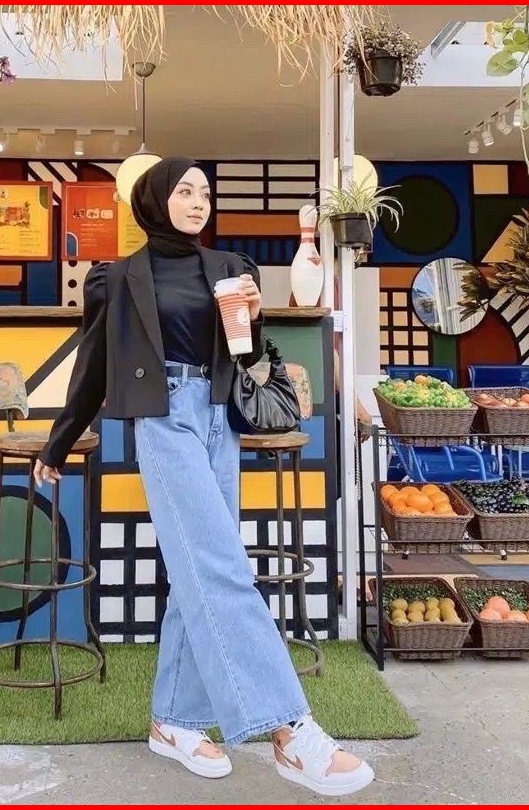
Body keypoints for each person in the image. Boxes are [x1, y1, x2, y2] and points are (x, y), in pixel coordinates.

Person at [34, 157, 374, 797]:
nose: (199, 202)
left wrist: (251, 320)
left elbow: (248, 356)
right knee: (221, 566)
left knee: (199, 567)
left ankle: (174, 721)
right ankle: (289, 730)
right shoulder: (117, 278)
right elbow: (93, 364)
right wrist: (59, 440)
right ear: (155, 199)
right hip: (163, 421)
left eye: (206, 193)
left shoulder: (230, 268)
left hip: (220, 417)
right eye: (185, 191)